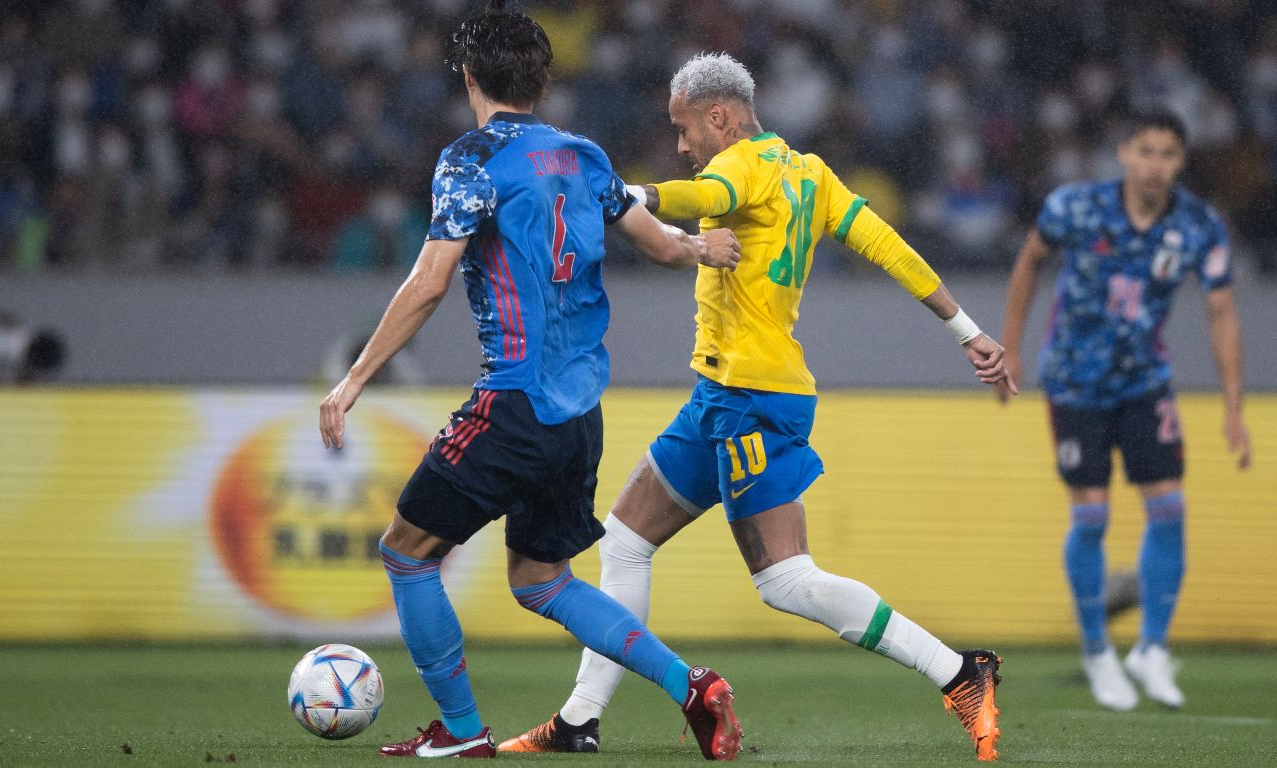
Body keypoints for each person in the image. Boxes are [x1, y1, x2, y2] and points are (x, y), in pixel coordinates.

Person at [501, 53, 1014, 763]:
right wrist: (967, 330)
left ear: (720, 117)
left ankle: (961, 674)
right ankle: (580, 720)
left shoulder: (741, 165)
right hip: (723, 396)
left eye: (685, 129)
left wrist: (616, 190)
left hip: (751, 399)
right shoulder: (811, 173)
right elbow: (889, 247)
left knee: (784, 579)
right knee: (623, 538)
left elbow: (688, 194)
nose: (682, 144)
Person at [317, 2, 745, 760]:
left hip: (513, 400)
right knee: (542, 578)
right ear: (543, 81)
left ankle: (459, 729)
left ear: (470, 75)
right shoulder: (583, 156)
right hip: (579, 414)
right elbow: (657, 243)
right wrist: (701, 248)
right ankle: (692, 685)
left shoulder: (471, 158)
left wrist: (353, 379)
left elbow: (427, 282)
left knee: (406, 551)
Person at [996, 110, 1252, 711]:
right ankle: (1097, 651)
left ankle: (1152, 650)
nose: (1155, 164)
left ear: (1180, 161)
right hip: (1075, 384)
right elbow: (1030, 260)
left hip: (1144, 383)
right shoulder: (1075, 209)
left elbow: (1222, 315)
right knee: (1091, 519)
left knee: (1169, 508)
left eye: (1167, 153)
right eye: (1146, 151)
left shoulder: (1198, 225)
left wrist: (1234, 408)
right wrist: (1010, 346)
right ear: (1123, 153)